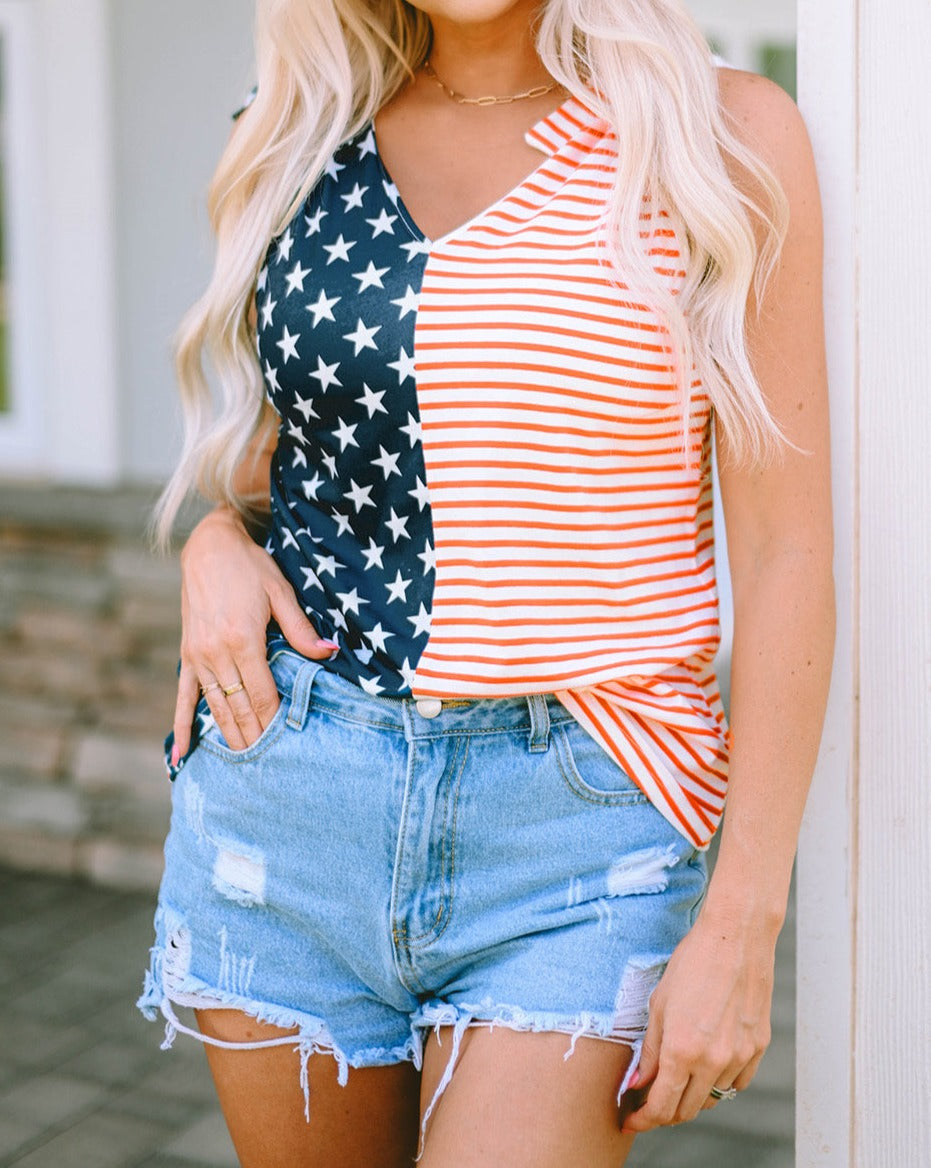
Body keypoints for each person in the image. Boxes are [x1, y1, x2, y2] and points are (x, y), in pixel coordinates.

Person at [138, 2, 834, 1165]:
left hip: (574, 832)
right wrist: (215, 540)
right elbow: (296, 456)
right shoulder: (289, 133)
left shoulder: (722, 138)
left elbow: (784, 552)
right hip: (289, 794)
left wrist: (743, 923)